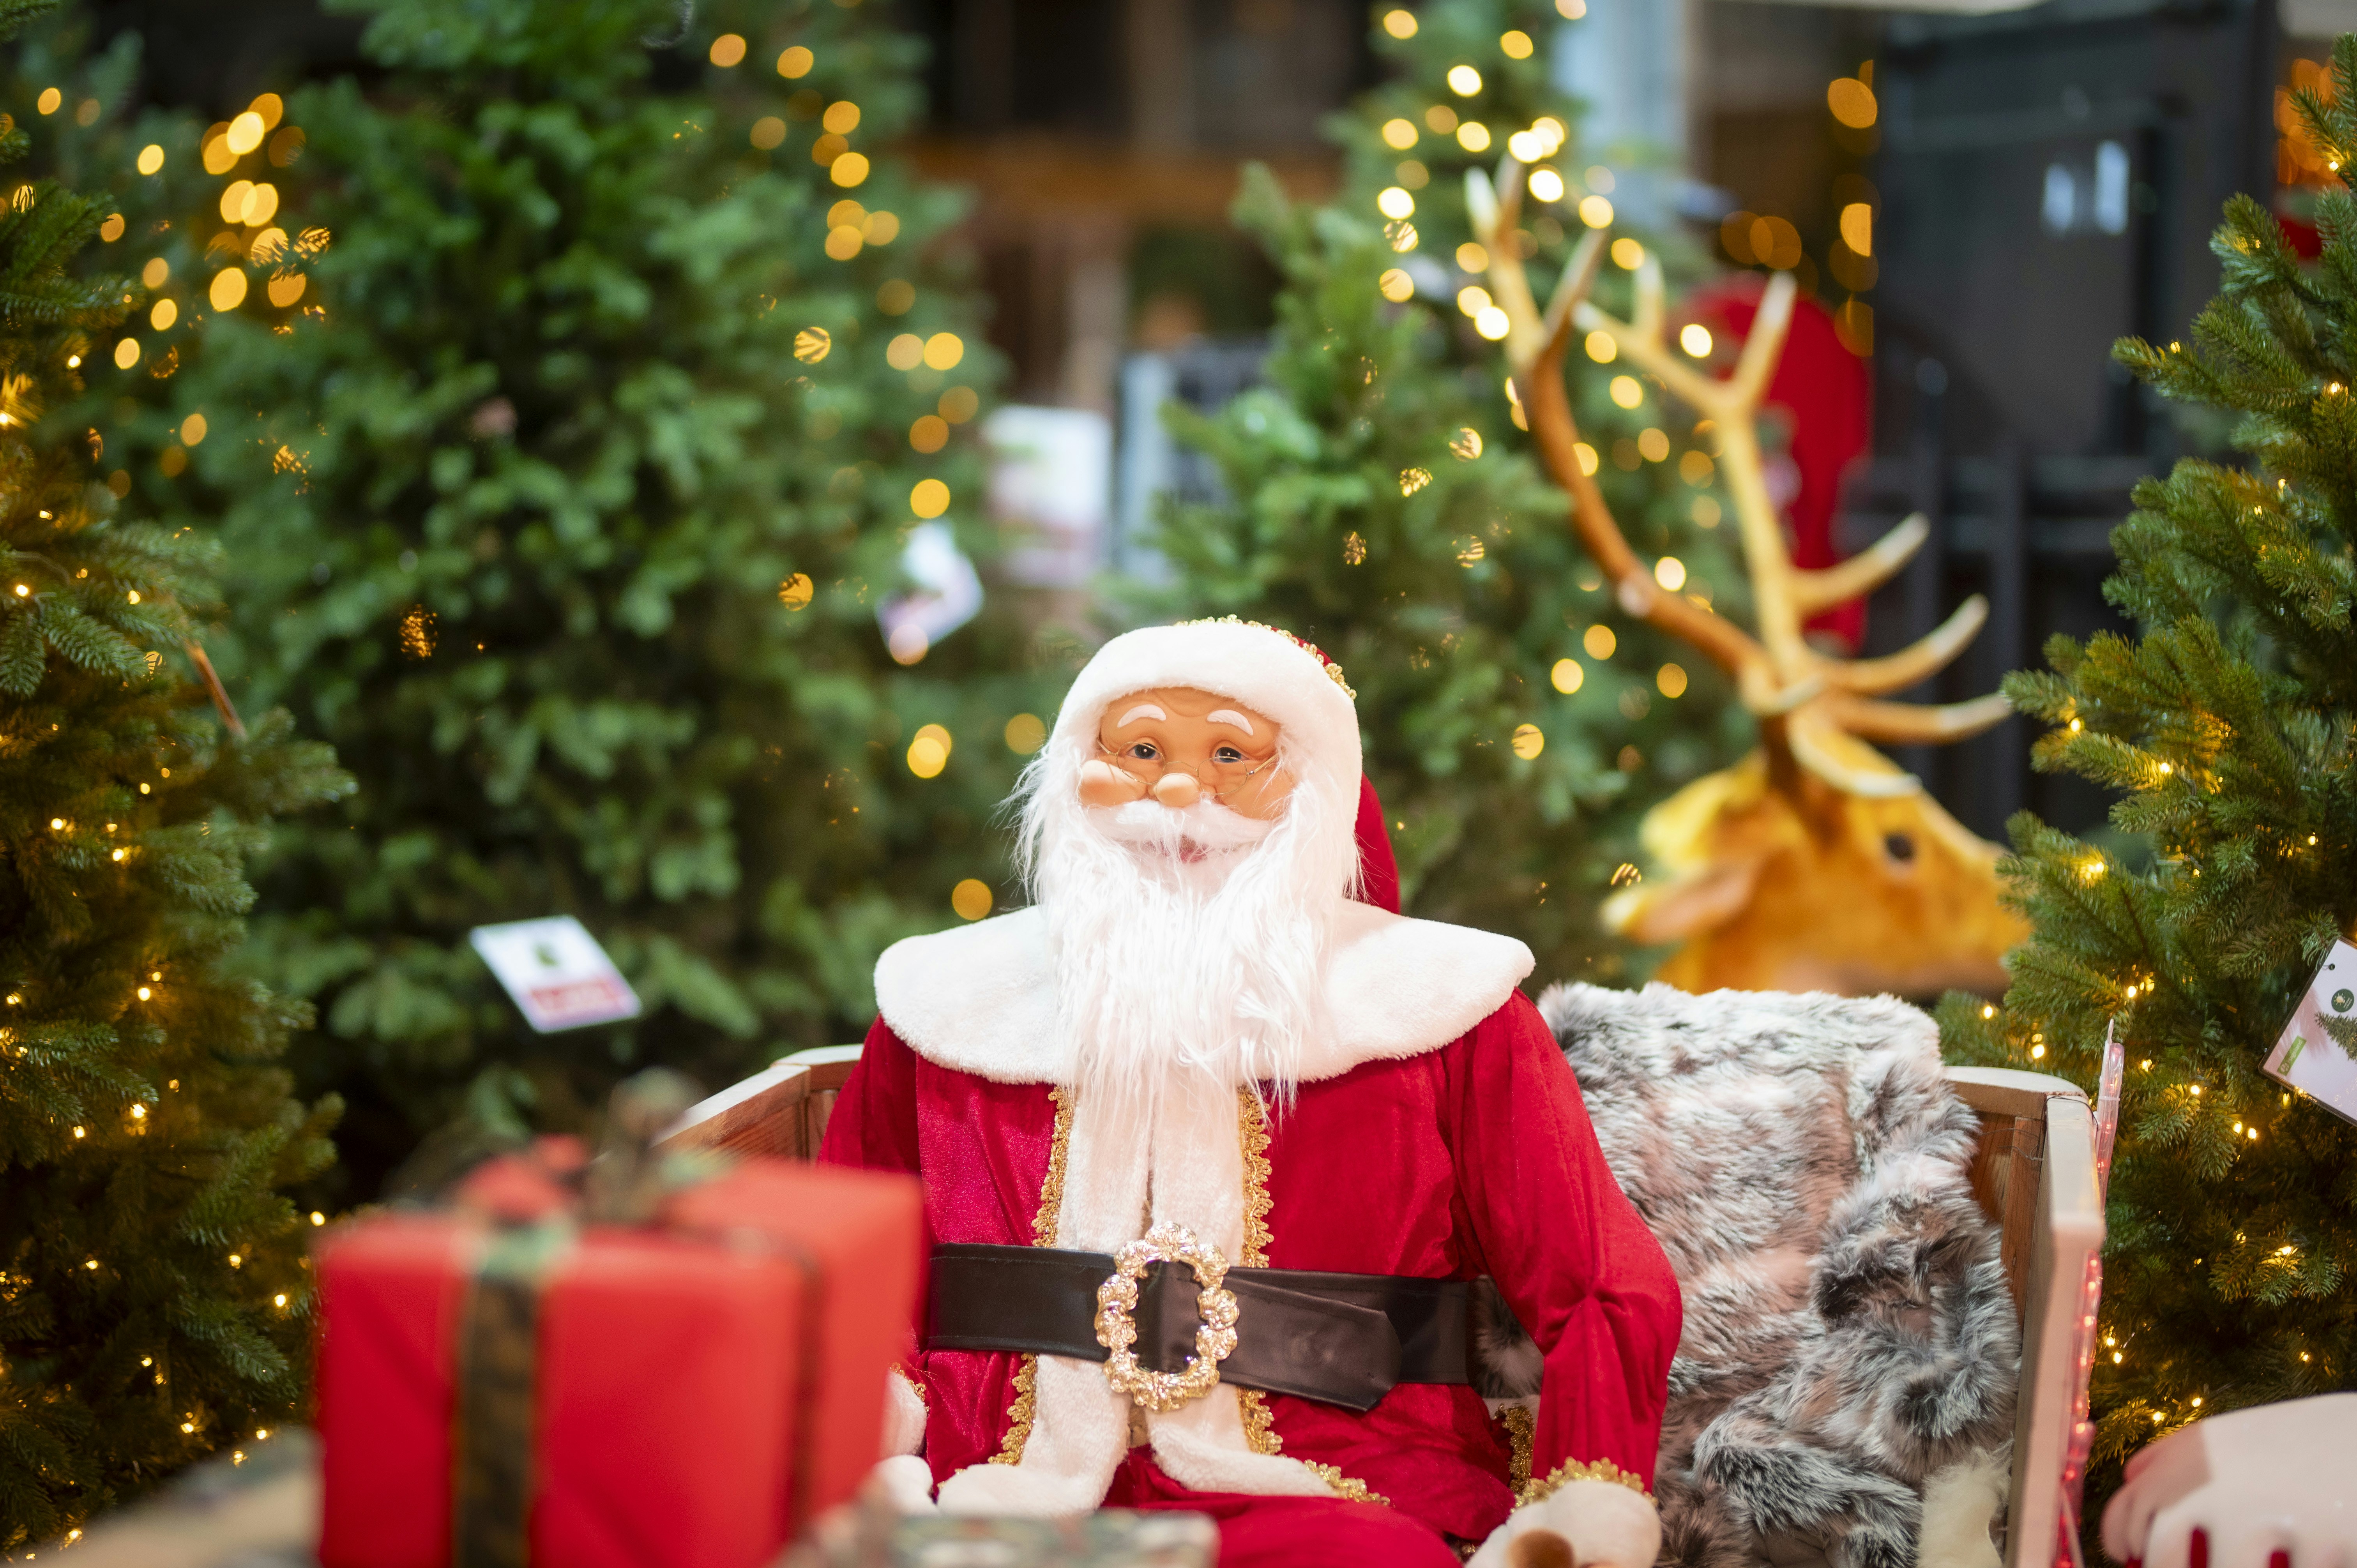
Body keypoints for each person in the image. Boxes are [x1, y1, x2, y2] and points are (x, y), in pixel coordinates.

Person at [818, 618, 1680, 1568]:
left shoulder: (1447, 1012)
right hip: (995, 1486)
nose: (1182, 791)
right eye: (1140, 749)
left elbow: (1597, 1278)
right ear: (1073, 769)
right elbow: (846, 1267)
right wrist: (863, 1461)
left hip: (1338, 1480)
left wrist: (1578, 1510)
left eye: (1232, 754)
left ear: (1316, 787)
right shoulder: (948, 1004)